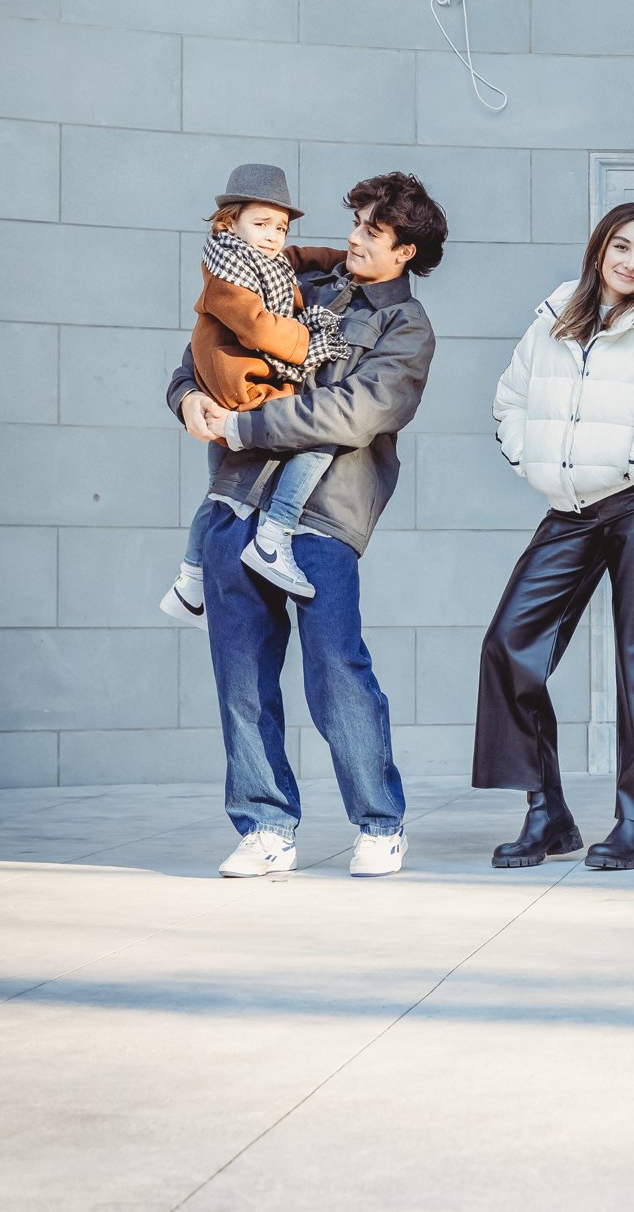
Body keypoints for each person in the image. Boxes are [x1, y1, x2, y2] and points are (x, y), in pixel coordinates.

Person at [167, 170, 448, 879]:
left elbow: (352, 413)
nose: (353, 238)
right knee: (240, 671)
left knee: (336, 669)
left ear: (405, 250)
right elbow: (205, 348)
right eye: (354, 223)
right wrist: (185, 403)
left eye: (371, 231)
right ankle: (265, 826)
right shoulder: (304, 289)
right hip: (239, 499)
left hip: (324, 517)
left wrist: (243, 424)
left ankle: (380, 822)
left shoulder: (407, 329)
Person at [475, 205, 634, 873]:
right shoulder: (549, 329)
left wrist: (623, 460)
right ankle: (544, 811)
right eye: (621, 247)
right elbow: (510, 406)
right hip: (569, 508)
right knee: (507, 645)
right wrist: (538, 461)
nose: (630, 262)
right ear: (599, 250)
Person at [159, 164, 347, 626]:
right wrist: (309, 343)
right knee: (318, 436)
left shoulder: (266, 261)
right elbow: (258, 327)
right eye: (261, 224)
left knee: (218, 494)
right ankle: (273, 536)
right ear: (229, 222)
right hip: (239, 386)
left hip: (232, 382)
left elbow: (298, 256)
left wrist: (341, 259)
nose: (272, 237)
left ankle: (189, 581)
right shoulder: (227, 274)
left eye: (279, 227)